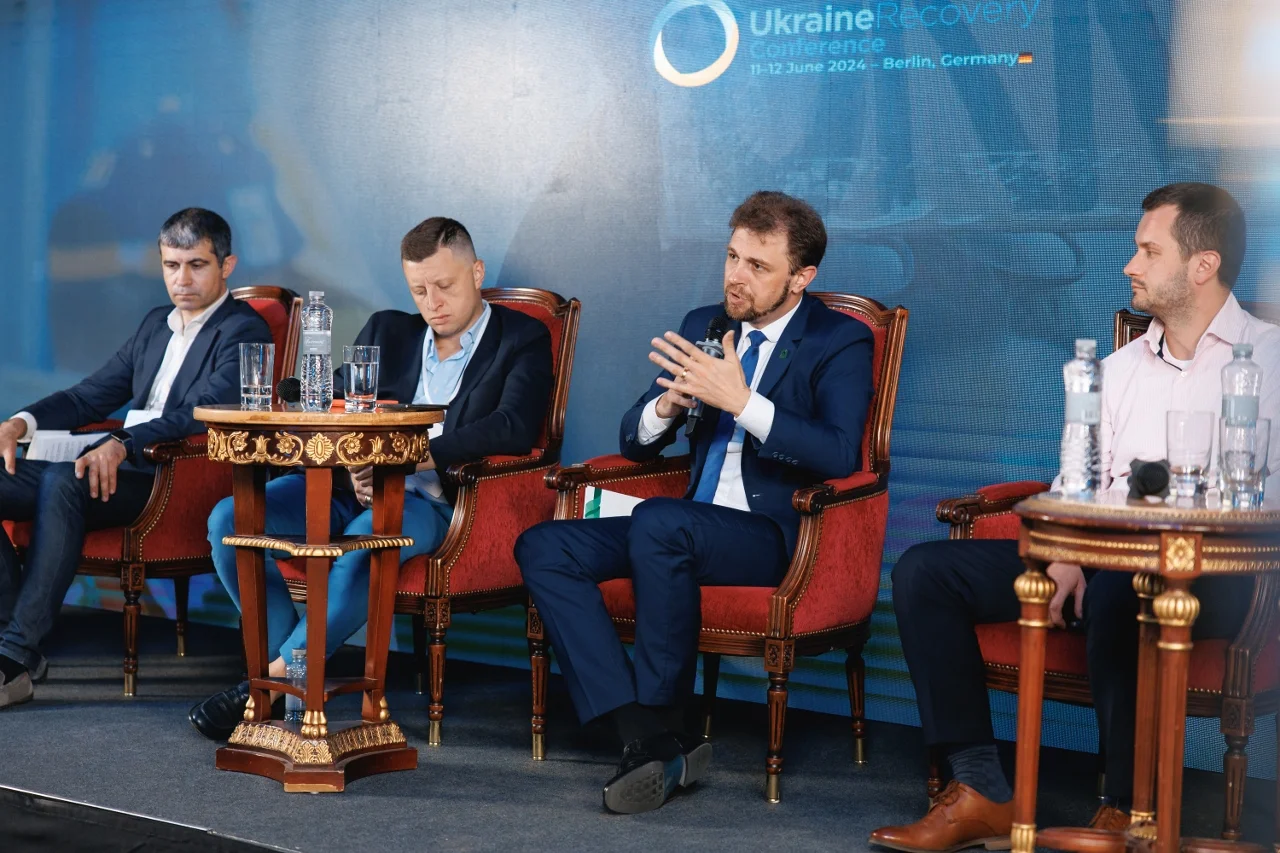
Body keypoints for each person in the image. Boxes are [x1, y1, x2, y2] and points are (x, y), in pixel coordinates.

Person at [871, 182, 1278, 853]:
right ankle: (980, 790)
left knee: (1121, 586)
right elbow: (1073, 482)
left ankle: (1127, 807)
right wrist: (1063, 556)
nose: (1130, 264)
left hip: (1220, 574)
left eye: (1149, 251)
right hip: (1102, 558)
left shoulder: (1268, 360)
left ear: (1202, 265)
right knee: (926, 572)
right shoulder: (1115, 369)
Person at [516, 191, 875, 814]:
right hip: (683, 525)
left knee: (660, 521)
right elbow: (633, 441)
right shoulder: (704, 323)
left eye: (758, 266)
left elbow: (842, 454)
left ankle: (663, 718)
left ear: (802, 277)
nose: (736, 276)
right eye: (732, 257)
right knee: (544, 545)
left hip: (770, 534)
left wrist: (743, 403)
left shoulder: (839, 339)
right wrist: (666, 406)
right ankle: (647, 737)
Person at [189, 217, 554, 739]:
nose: (433, 303)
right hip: (346, 487)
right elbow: (334, 407)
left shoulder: (521, 337)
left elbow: (512, 427)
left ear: (477, 273)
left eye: (445, 286)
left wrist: (402, 460)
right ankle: (292, 680)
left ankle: (269, 684)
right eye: (419, 290)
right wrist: (350, 461)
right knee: (229, 520)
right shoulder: (388, 331)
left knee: (368, 539)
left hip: (433, 503)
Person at [0, 207, 272, 709]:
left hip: (168, 480)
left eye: (197, 265)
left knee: (63, 481)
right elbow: (89, 395)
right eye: (171, 265)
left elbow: (200, 414)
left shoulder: (244, 331)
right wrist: (20, 422)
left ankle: (14, 657)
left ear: (226, 266)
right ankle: (7, 635)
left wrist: (123, 442)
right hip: (114, 467)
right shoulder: (155, 324)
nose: (182, 279)